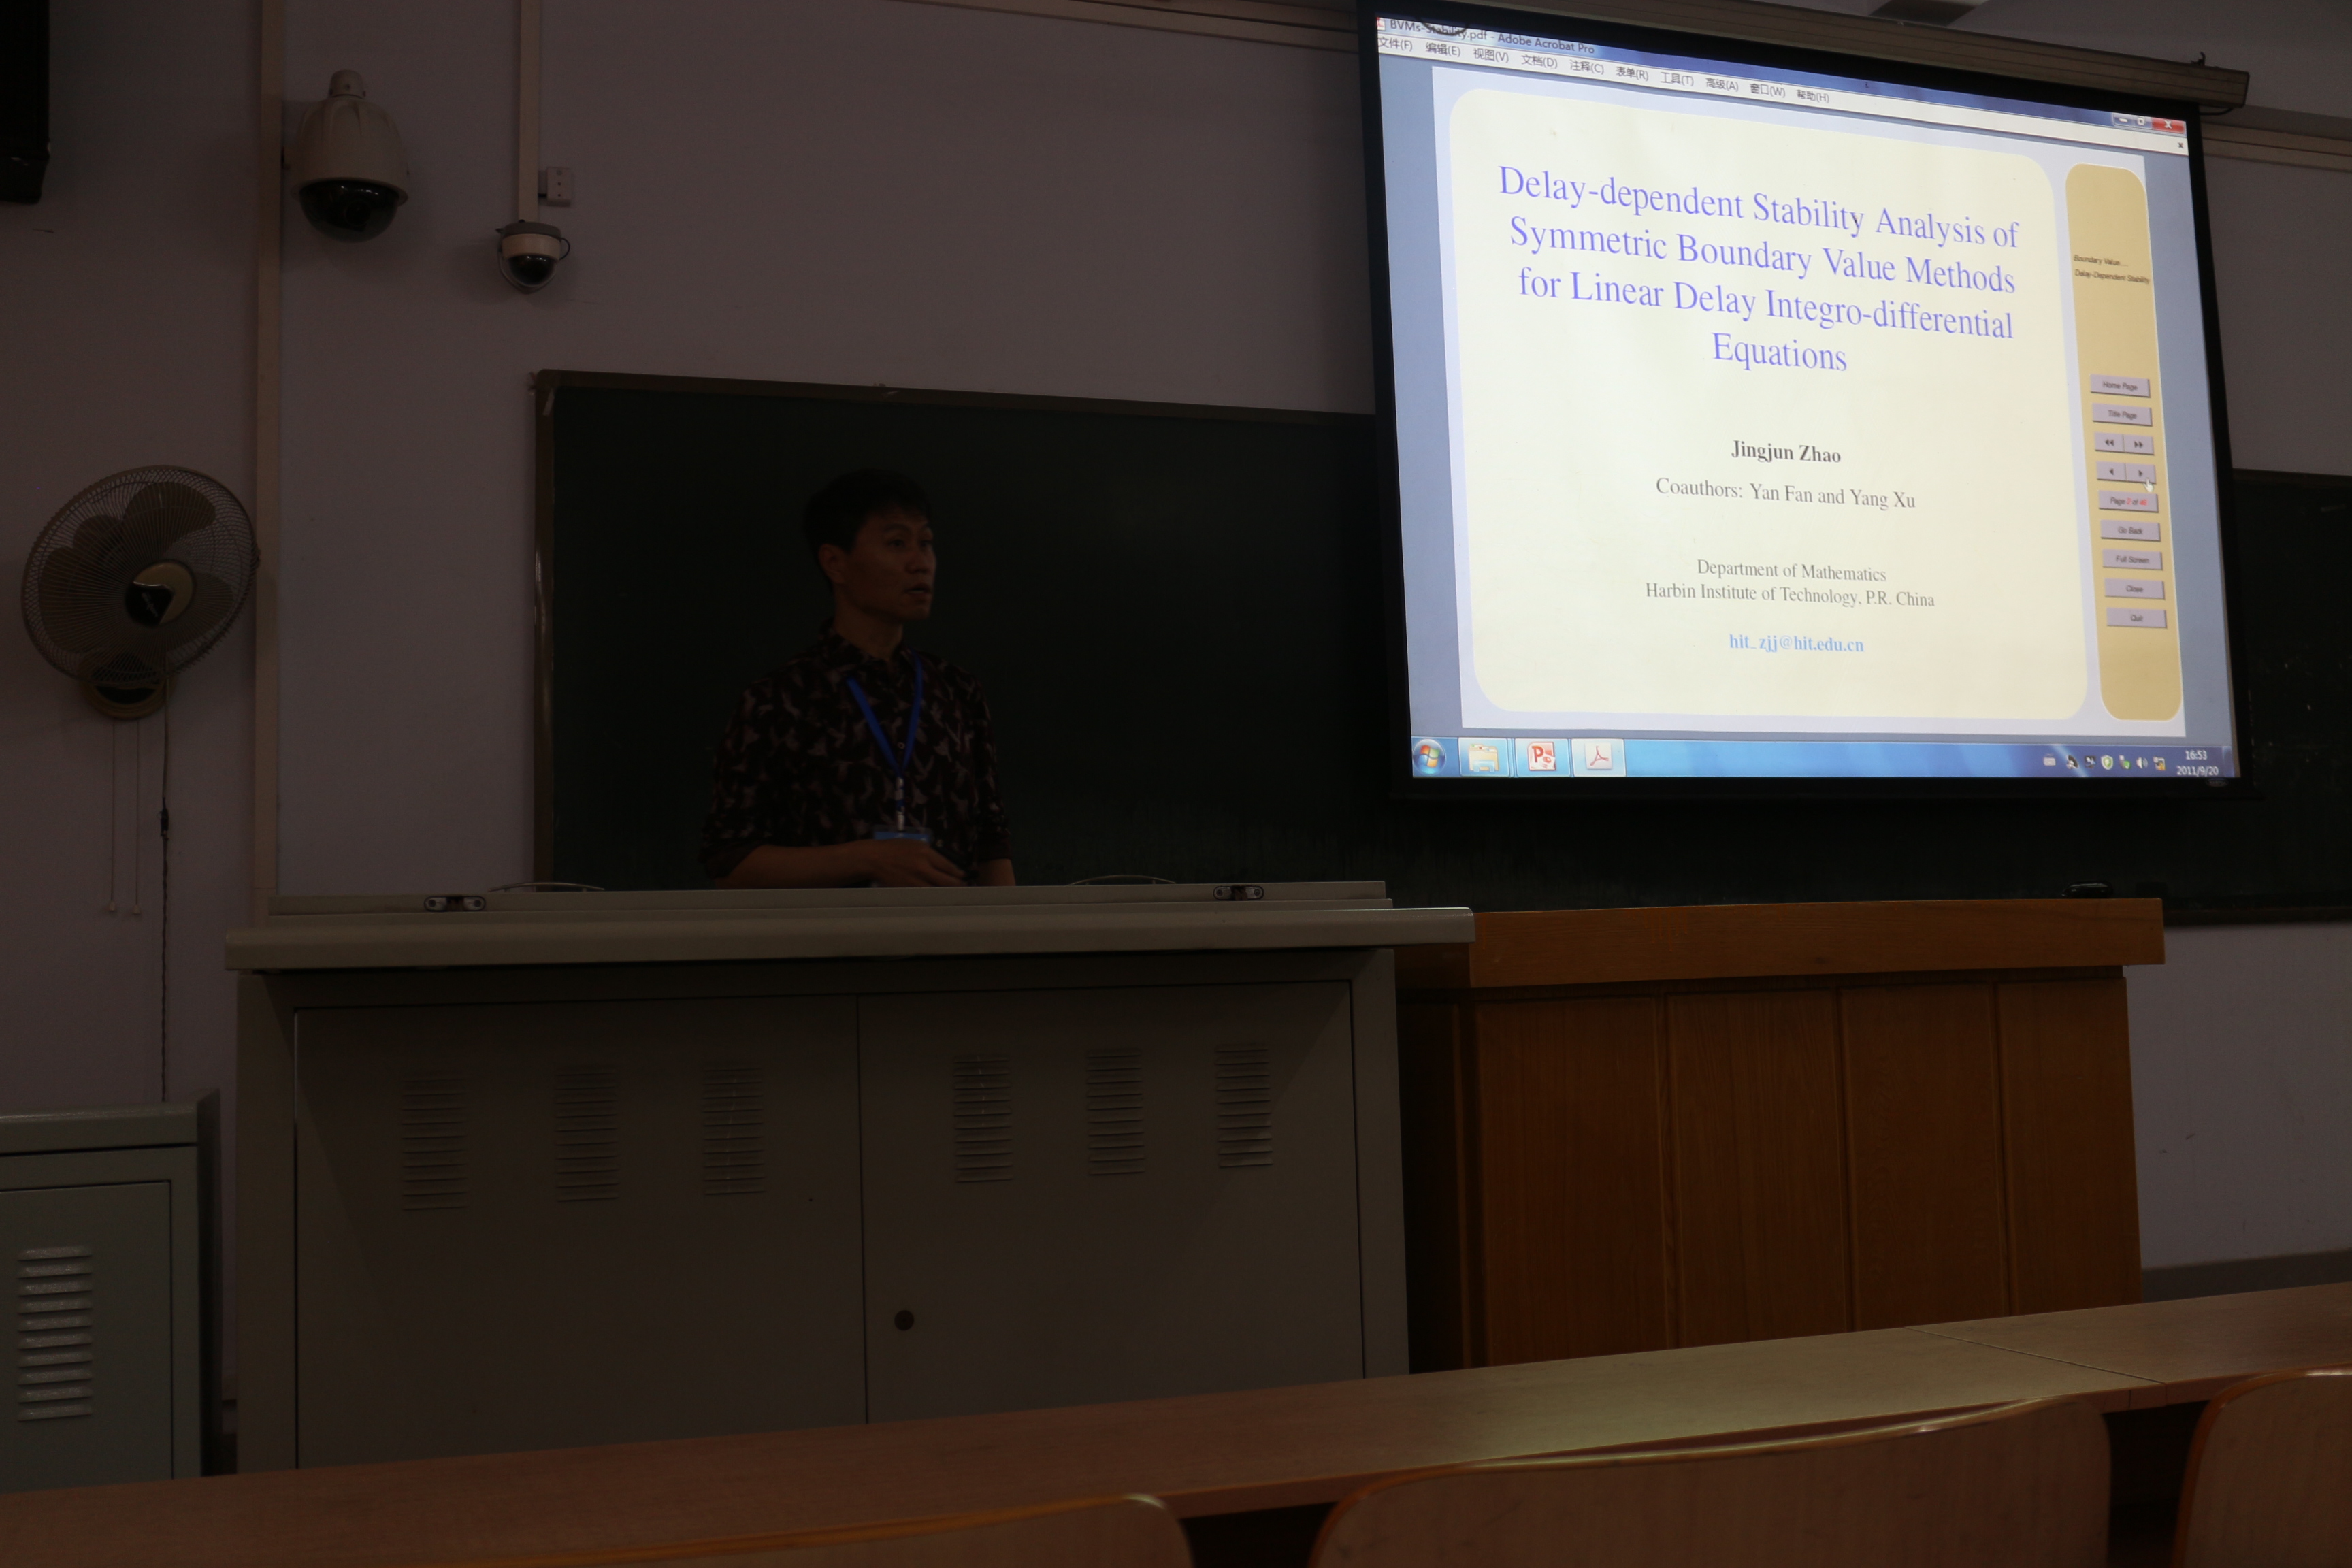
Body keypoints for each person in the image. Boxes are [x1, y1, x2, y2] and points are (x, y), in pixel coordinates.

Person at [701, 470, 1013, 888]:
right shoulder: (780, 699)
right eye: (897, 543)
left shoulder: (956, 691)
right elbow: (729, 862)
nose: (920, 562)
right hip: (828, 929)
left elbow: (992, 843)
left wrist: (1005, 926)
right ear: (835, 563)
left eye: (926, 543)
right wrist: (864, 859)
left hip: (949, 927)